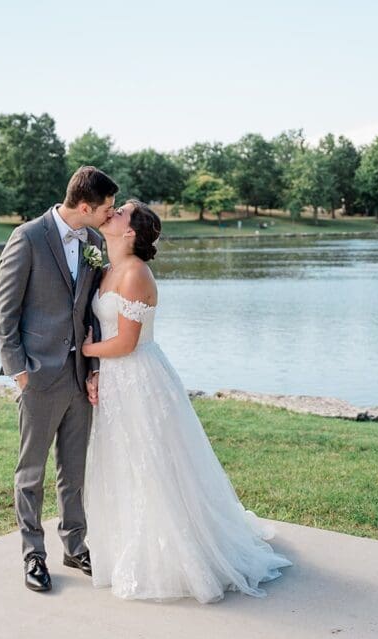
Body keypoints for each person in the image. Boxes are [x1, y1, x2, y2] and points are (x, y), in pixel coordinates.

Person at [81, 199, 293, 604]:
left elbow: (126, 343)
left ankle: (178, 556)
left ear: (130, 232)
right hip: (115, 382)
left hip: (139, 378)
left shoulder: (137, 274)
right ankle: (127, 545)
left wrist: (89, 353)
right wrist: (94, 370)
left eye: (121, 211)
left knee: (154, 463)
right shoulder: (108, 269)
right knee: (125, 463)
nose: (113, 213)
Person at [0, 166, 117, 592]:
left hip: (80, 377)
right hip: (39, 377)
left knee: (74, 470)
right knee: (31, 472)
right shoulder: (27, 237)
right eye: (107, 209)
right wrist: (20, 373)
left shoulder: (96, 242)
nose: (110, 215)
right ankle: (33, 555)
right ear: (85, 206)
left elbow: (92, 316)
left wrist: (95, 369)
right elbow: (3, 313)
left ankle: (74, 544)